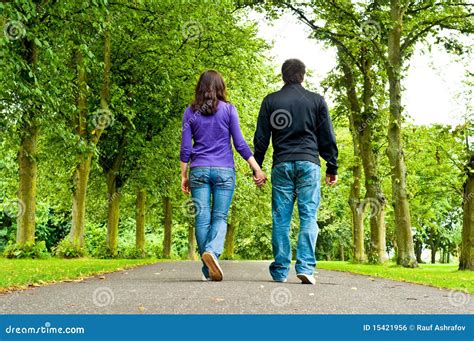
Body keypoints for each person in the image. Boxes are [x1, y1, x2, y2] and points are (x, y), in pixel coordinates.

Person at [253, 59, 338, 285]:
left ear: (283, 76)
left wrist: (257, 166)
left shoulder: (271, 100)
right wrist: (332, 166)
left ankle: (281, 270)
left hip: (282, 164)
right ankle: (306, 268)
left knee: (281, 218)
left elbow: (261, 137)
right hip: (309, 164)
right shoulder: (316, 100)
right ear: (303, 75)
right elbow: (327, 136)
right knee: (308, 216)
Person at [180, 70, 266, 282]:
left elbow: (185, 148)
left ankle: (206, 268)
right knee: (219, 217)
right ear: (221, 88)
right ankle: (212, 253)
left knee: (202, 218)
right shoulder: (229, 110)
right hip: (224, 171)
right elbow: (240, 144)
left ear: (199, 87)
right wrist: (257, 168)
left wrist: (183, 175)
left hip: (198, 169)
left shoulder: (190, 112)